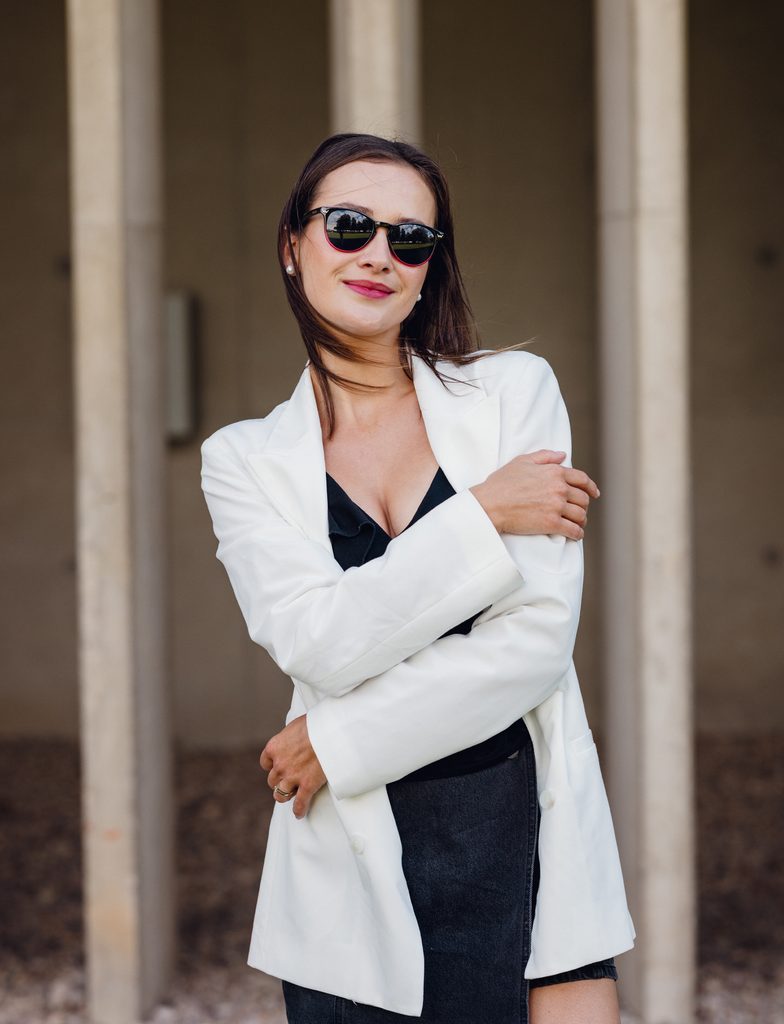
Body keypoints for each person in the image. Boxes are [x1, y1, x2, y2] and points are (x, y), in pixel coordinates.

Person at [200, 133, 635, 1024]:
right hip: (348, 876)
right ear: (292, 245)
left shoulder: (513, 392)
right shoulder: (243, 458)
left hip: (523, 840)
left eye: (410, 240)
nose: (378, 255)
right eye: (349, 226)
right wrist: (482, 514)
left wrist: (339, 736)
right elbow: (318, 641)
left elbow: (534, 644)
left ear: (430, 268)